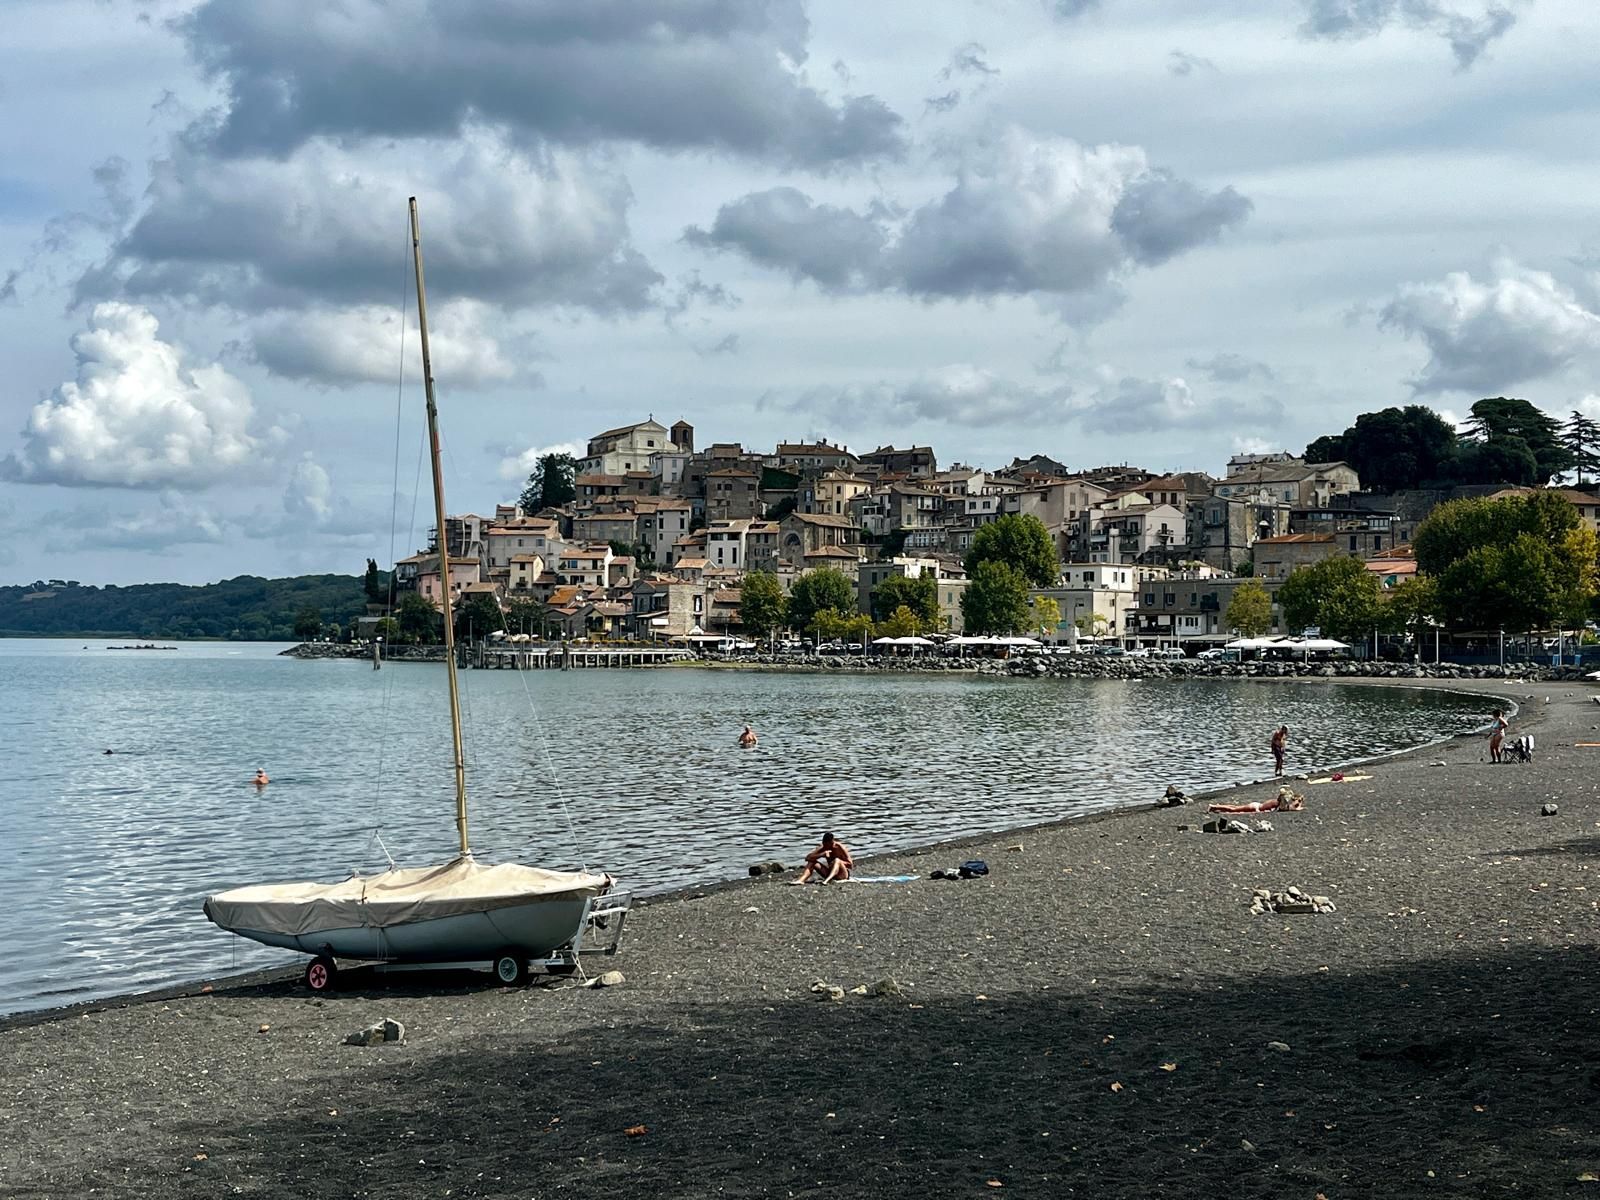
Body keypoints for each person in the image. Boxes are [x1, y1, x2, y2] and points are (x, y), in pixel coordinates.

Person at [1209, 786, 1305, 814]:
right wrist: (1299, 803)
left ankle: (1216, 807)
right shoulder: (1282, 804)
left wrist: (1299, 803)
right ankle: (1214, 807)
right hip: (1255, 808)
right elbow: (1293, 807)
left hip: (1256, 805)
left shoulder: (1278, 801)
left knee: (1235, 808)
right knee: (1234, 809)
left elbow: (1293, 806)